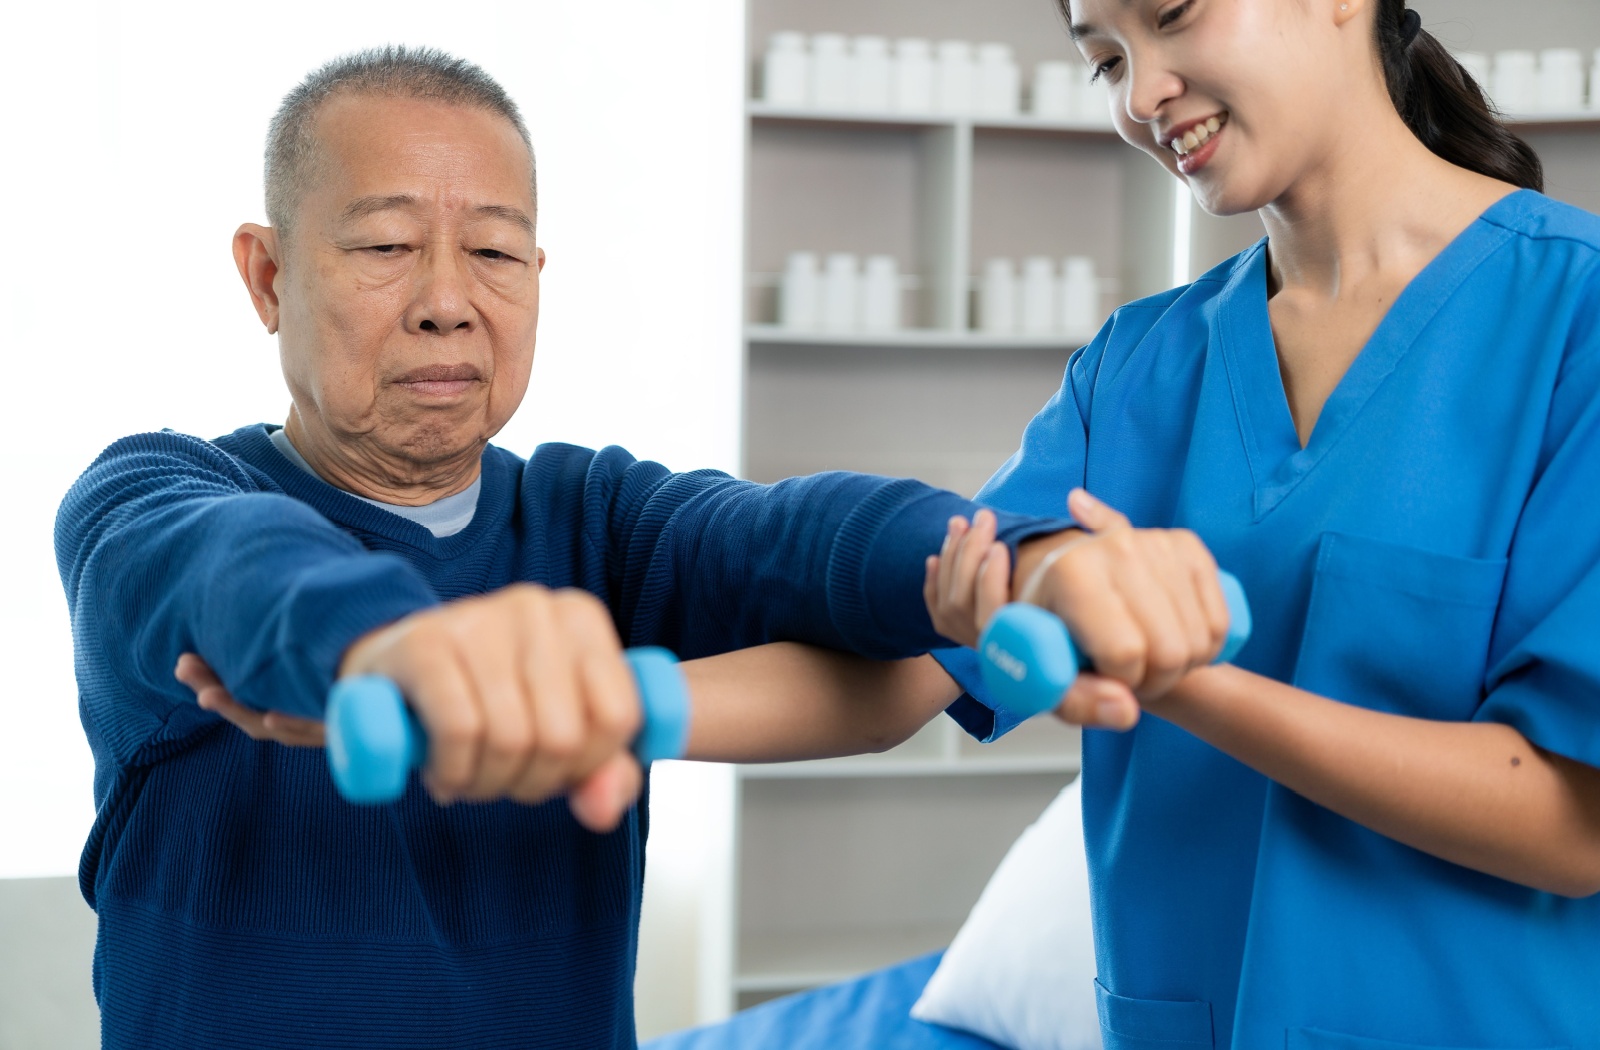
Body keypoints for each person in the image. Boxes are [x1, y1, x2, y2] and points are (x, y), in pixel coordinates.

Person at [56, 45, 1233, 1050]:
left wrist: (1021, 565)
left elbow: (790, 534)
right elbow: (232, 568)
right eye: (383, 248)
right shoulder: (153, 492)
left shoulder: (592, 519)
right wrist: (394, 648)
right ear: (267, 276)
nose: (447, 301)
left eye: (496, 254)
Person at [920, 1, 1600, 1047]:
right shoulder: (1134, 367)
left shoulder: (1573, 320)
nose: (1141, 95)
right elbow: (911, 654)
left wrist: (1177, 679)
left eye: (1172, 16)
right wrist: (647, 704)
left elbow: (1569, 820)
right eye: (1104, 59)